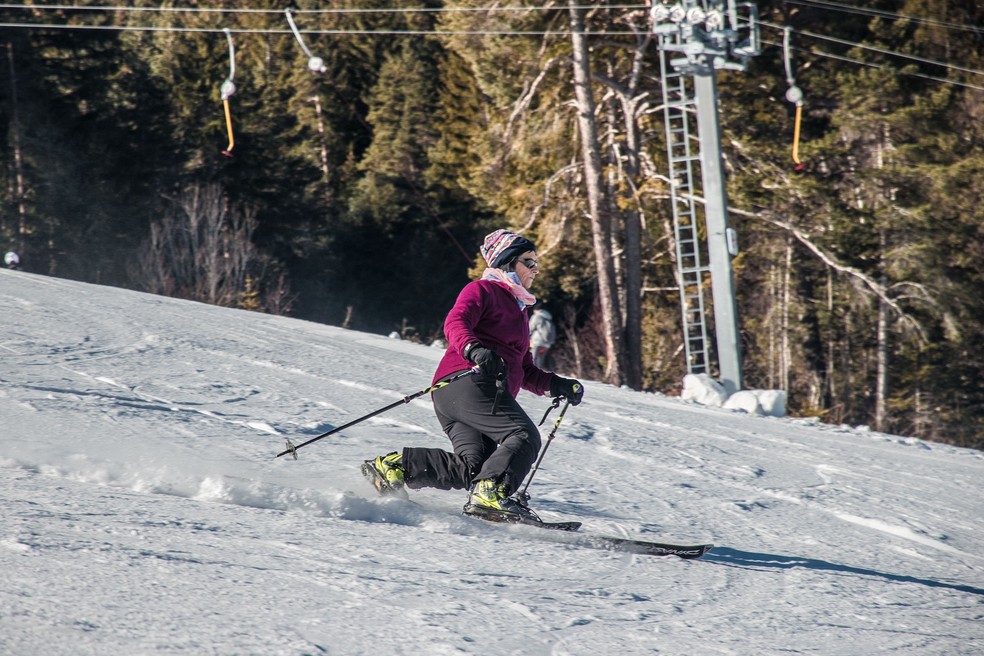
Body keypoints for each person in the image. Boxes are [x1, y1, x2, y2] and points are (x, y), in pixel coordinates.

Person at [362, 229, 583, 522]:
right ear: (507, 262)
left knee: (473, 468)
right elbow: (456, 321)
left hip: (461, 397)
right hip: (467, 382)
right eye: (529, 262)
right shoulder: (484, 290)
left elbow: (524, 369)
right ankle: (490, 494)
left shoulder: (518, 312)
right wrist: (474, 349)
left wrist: (557, 384)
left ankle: (397, 466)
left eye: (535, 263)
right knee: (522, 435)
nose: (535, 269)